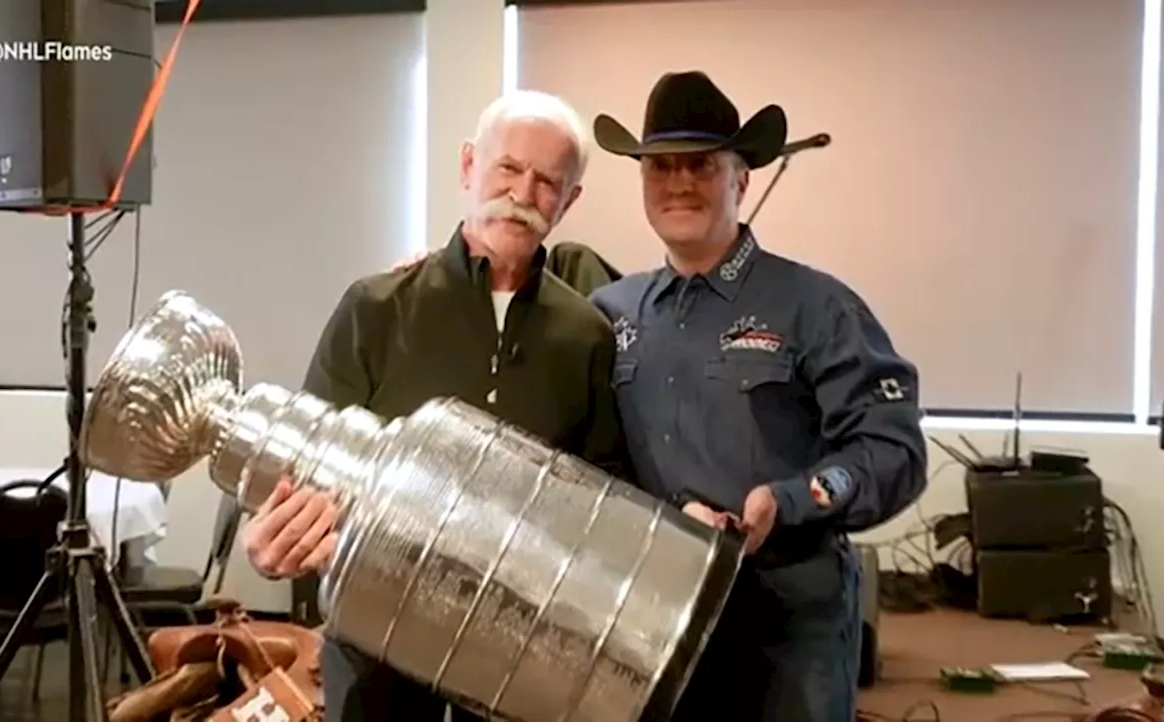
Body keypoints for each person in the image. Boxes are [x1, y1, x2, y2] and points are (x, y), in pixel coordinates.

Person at [239, 90, 631, 721]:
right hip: (375, 647)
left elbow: (603, 501)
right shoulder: (375, 308)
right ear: (469, 167)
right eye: (508, 168)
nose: (523, 194)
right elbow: (301, 465)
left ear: (570, 199)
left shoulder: (587, 336)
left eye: (546, 180)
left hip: (521, 664)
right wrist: (271, 545)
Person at [589, 71, 928, 721]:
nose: (679, 182)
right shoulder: (608, 313)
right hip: (653, 624)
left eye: (702, 165)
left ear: (741, 179)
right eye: (660, 166)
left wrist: (789, 500)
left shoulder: (817, 307)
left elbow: (892, 450)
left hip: (789, 628)